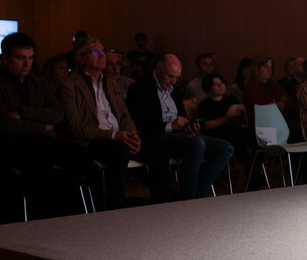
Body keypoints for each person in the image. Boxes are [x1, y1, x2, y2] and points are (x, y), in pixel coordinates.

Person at [0, 33, 90, 219]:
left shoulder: (39, 84)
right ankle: (45, 217)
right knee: (42, 164)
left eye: (30, 58)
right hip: (7, 145)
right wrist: (42, 126)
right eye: (20, 58)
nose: (26, 64)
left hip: (38, 141)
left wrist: (23, 113)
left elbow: (58, 113)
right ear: (5, 58)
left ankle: (71, 216)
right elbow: (4, 125)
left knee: (81, 156)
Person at [126, 54, 233, 200]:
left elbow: (182, 116)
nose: (173, 81)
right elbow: (140, 122)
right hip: (157, 137)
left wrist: (189, 126)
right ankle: (188, 198)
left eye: (177, 77)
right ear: (158, 70)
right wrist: (170, 125)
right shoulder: (140, 88)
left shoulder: (175, 90)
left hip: (179, 136)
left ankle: (194, 196)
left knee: (225, 147)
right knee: (197, 143)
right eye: (170, 76)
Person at [58, 37, 142, 209]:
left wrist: (132, 134)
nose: (102, 56)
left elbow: (125, 116)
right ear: (80, 59)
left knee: (158, 146)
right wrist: (115, 135)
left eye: (103, 51)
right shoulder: (68, 84)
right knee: (119, 150)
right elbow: (76, 127)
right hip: (92, 140)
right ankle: (115, 208)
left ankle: (163, 204)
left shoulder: (110, 82)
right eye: (95, 52)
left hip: (119, 136)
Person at [197, 72, 251, 173]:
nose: (220, 86)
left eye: (222, 83)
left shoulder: (230, 99)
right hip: (217, 135)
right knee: (235, 141)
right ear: (209, 88)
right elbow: (206, 125)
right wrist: (226, 118)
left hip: (236, 130)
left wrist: (236, 106)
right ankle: (253, 174)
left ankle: (255, 171)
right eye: (216, 84)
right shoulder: (205, 104)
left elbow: (246, 108)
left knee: (253, 137)